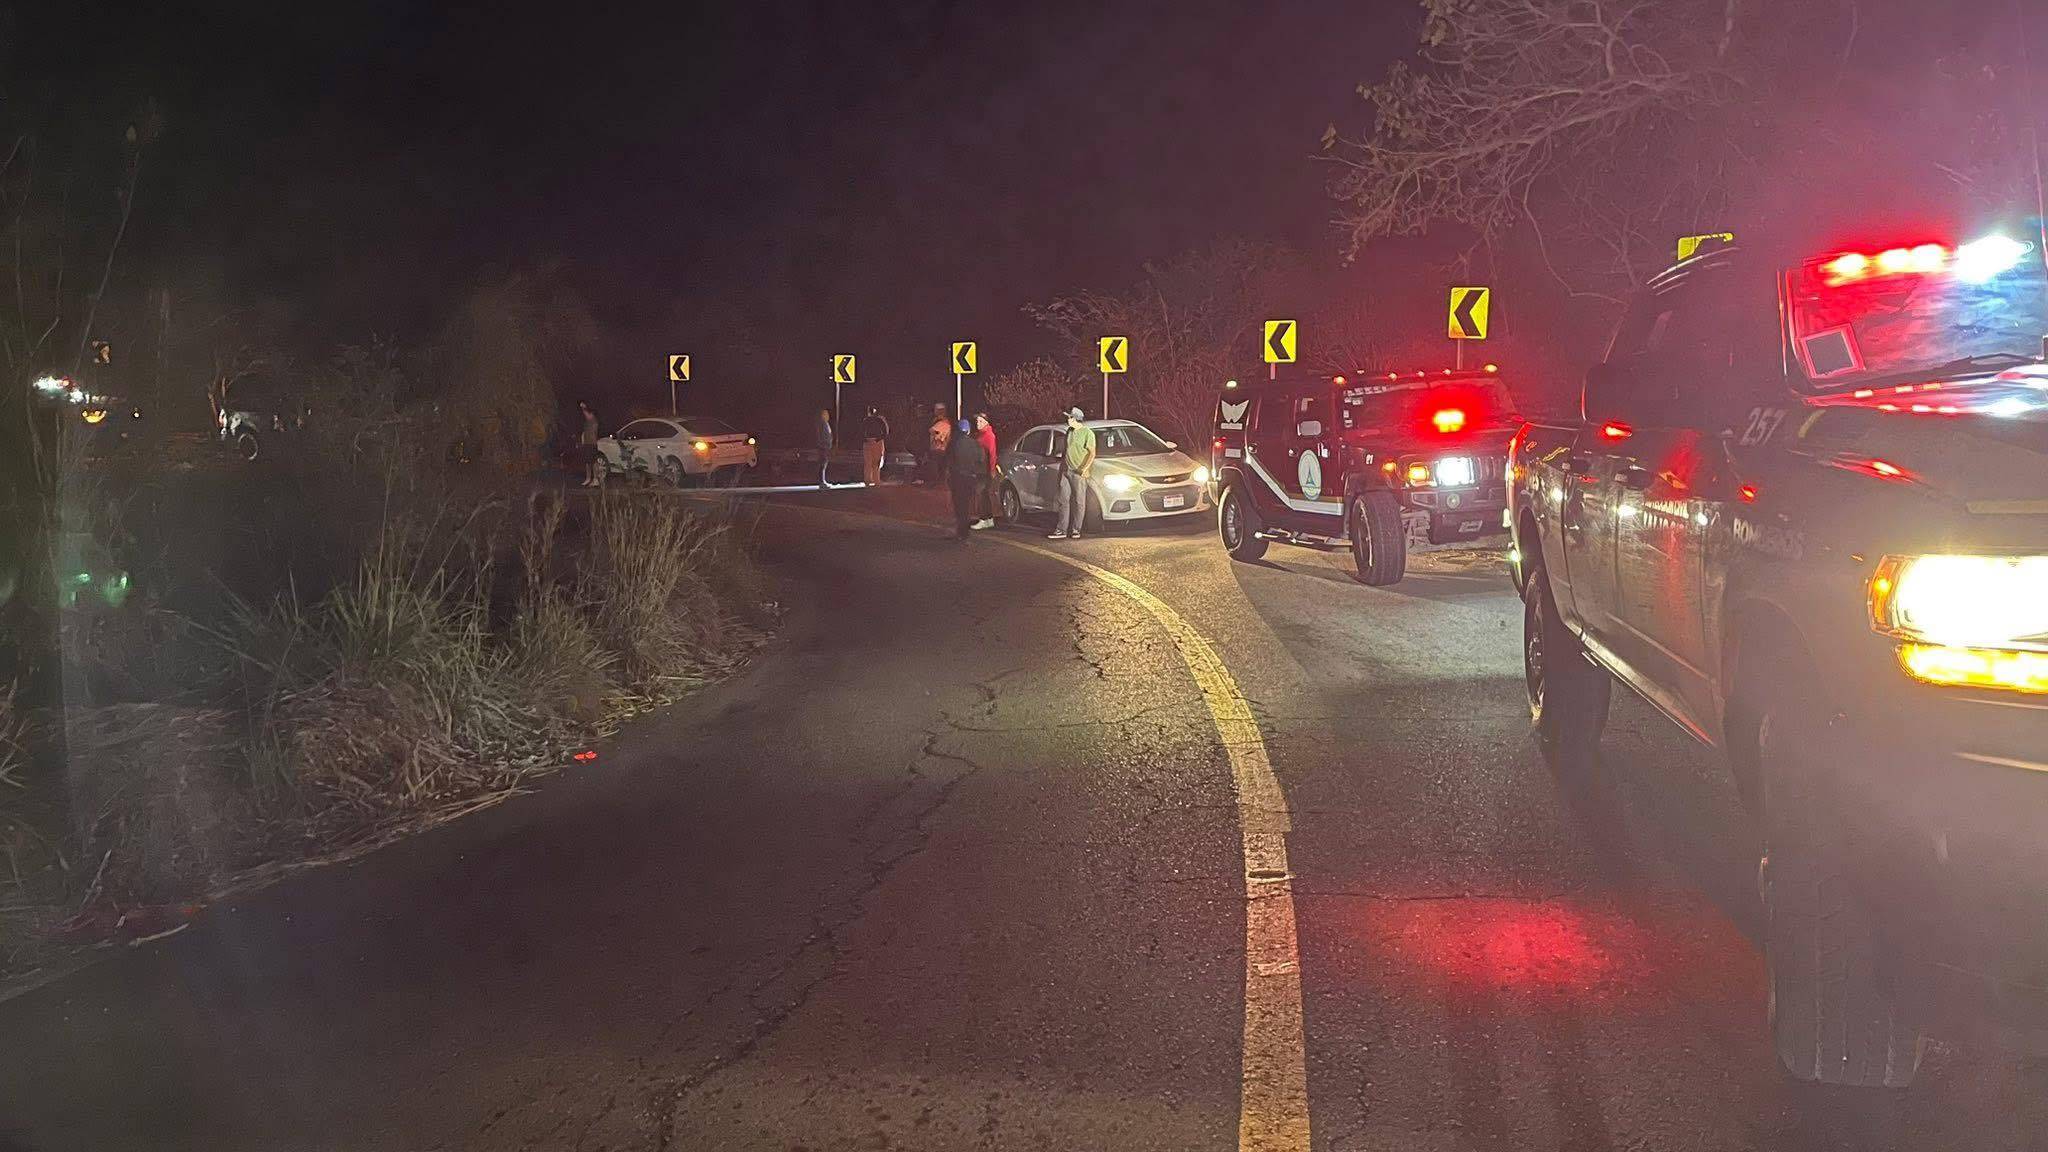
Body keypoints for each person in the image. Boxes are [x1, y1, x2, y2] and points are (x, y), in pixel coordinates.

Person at [1049, 406, 1094, 540]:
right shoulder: (1069, 431)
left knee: (1079, 501)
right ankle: (1061, 529)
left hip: (1078, 471)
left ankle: (1076, 529)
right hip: (1066, 470)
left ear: (1075, 419)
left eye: (1069, 417)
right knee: (1063, 500)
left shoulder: (1087, 433)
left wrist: (1085, 468)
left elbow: (1092, 453)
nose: (1067, 420)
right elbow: (1066, 450)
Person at [945, 417, 988, 539]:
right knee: (966, 504)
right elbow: (981, 460)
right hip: (970, 478)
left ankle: (961, 530)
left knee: (959, 505)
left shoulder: (953, 444)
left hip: (957, 478)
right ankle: (965, 530)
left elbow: (948, 460)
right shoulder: (975, 444)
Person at [971, 412, 1000, 529]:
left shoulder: (988, 435)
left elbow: (992, 453)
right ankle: (988, 519)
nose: (978, 423)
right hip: (980, 468)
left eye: (981, 421)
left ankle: (983, 518)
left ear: (986, 423)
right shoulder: (980, 435)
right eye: (977, 421)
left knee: (981, 493)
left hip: (984, 470)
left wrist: (992, 470)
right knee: (984, 494)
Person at [578, 400, 604, 488]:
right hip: (587, 443)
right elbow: (584, 432)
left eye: (590, 413)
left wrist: (583, 407)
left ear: (593, 414)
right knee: (587, 462)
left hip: (592, 443)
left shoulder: (593, 420)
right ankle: (588, 478)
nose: (587, 415)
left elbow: (587, 413)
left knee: (593, 462)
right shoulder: (587, 422)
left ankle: (595, 479)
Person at [861, 406, 890, 486]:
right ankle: (876, 480)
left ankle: (867, 479)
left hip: (868, 441)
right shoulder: (880, 420)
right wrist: (879, 439)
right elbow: (885, 432)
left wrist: (865, 439)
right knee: (876, 462)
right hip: (877, 441)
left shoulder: (866, 420)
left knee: (868, 462)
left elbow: (861, 431)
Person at [925, 403, 952, 484]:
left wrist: (935, 435)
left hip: (939, 449)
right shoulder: (938, 421)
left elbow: (937, 434)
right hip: (938, 449)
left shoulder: (943, 423)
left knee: (938, 469)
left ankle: (938, 483)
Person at [815, 408, 834, 489]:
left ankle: (823, 480)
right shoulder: (822, 424)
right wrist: (823, 444)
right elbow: (821, 435)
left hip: (826, 446)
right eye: (825, 414)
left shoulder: (826, 423)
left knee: (824, 463)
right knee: (822, 464)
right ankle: (821, 481)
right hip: (823, 446)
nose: (827, 415)